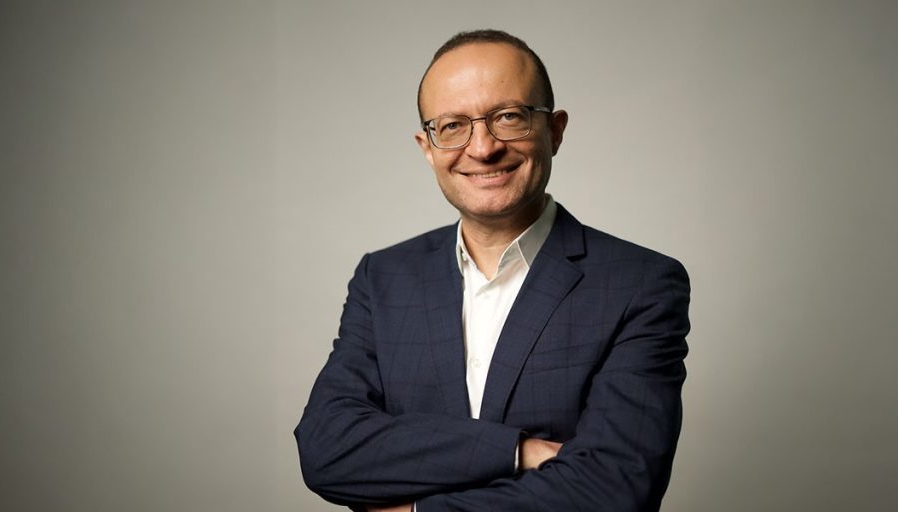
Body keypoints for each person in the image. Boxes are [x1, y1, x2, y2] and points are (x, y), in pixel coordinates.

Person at [295, 29, 690, 512]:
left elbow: (614, 488)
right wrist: (518, 451)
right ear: (427, 147)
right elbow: (326, 448)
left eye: (508, 117)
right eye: (452, 126)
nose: (482, 148)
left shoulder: (640, 284)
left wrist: (416, 511)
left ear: (555, 130)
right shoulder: (383, 279)